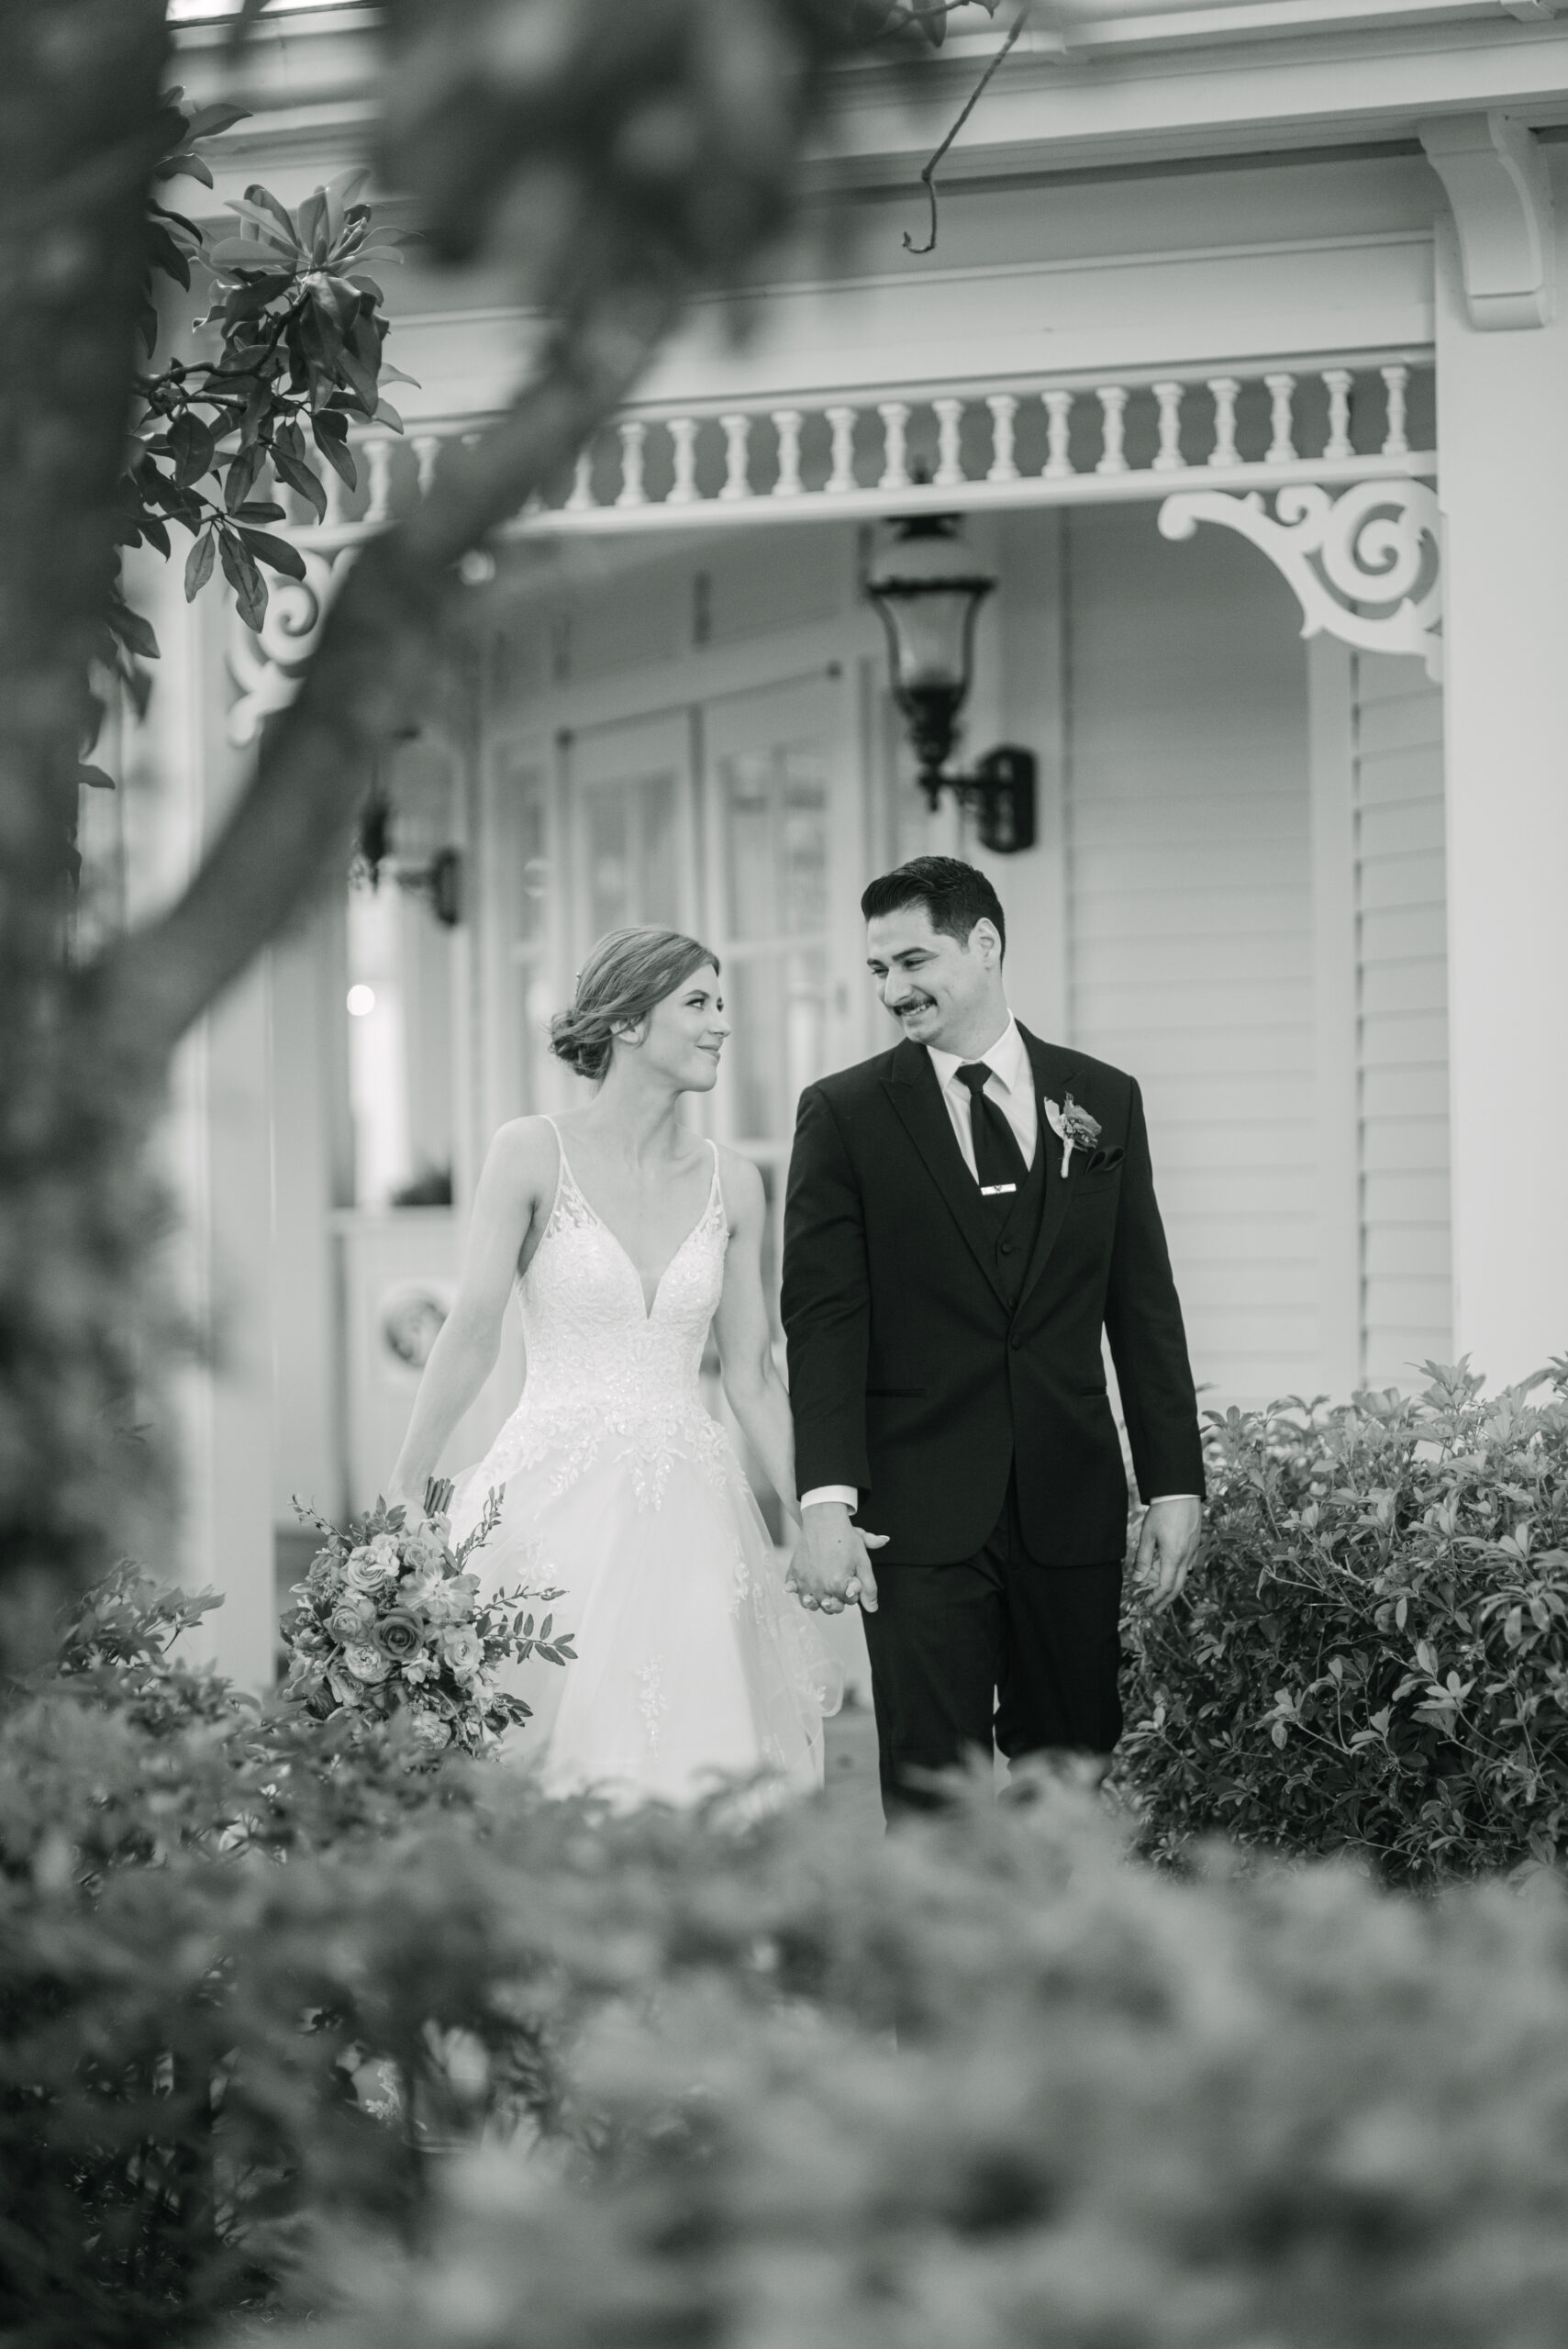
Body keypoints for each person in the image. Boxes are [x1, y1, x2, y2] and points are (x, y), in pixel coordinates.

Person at [781, 856, 1203, 1815]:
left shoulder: (1102, 1098)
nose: (893, 989)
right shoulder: (843, 1114)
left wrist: (1173, 1475)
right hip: (917, 1508)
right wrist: (824, 1500)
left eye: (912, 959)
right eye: (878, 968)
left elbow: (1140, 1302)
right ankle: (944, 1966)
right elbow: (823, 1320)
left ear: (984, 944)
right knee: (934, 1786)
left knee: (1071, 1769)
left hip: (1069, 1498)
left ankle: (1054, 1962)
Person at [388, 924, 839, 1807]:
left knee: (698, 1746)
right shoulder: (529, 1150)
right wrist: (406, 1485)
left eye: (721, 1004)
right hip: (548, 1504)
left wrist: (812, 1513)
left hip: (694, 1513)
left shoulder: (735, 1181)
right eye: (698, 1004)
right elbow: (473, 1330)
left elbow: (750, 1374)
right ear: (628, 1023)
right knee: (546, 1748)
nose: (721, 1026)